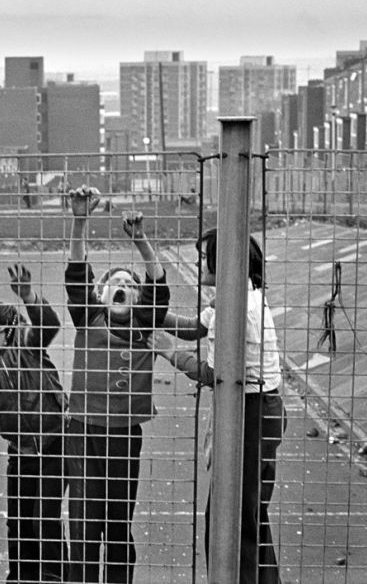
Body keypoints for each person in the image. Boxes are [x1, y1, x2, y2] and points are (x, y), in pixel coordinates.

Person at [149, 228, 285, 584]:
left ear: (224, 261)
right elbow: (195, 327)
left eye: (204, 255)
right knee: (250, 515)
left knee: (231, 520)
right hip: (261, 410)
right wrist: (147, 313)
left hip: (252, 414)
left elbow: (215, 374)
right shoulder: (240, 296)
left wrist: (167, 351)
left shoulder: (236, 309)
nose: (198, 261)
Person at [64, 185, 170, 584]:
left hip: (125, 434)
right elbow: (77, 275)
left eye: (130, 281)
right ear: (102, 294)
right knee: (84, 522)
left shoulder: (144, 325)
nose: (123, 285)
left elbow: (159, 288)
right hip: (84, 431)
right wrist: (79, 221)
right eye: (114, 281)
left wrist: (141, 241)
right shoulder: (89, 319)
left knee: (118, 522)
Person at [0, 263, 67, 583]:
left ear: (7, 330)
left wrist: (28, 296)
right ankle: (20, 576)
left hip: (56, 443)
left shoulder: (28, 345)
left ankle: (55, 576)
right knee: (18, 522)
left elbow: (49, 326)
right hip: (20, 450)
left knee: (43, 519)